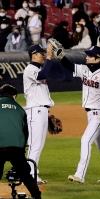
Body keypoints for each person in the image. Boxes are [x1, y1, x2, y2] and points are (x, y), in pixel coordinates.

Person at [57, 46, 100, 183]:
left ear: (98, 58)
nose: (87, 57)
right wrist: (60, 55)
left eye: (90, 55)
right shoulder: (84, 69)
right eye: (87, 55)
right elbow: (69, 65)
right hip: (91, 115)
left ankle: (80, 175)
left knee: (86, 140)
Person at [0, 84, 41, 199]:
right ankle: (37, 197)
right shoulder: (20, 109)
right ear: (14, 96)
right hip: (16, 148)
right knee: (26, 176)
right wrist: (21, 152)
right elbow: (25, 133)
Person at [23, 43, 54, 185]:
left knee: (39, 145)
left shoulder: (37, 69)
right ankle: (28, 176)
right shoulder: (30, 69)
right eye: (41, 53)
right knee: (34, 145)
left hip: (41, 111)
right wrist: (49, 57)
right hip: (34, 111)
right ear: (34, 56)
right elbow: (42, 74)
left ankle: (33, 173)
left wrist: (47, 112)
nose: (43, 55)